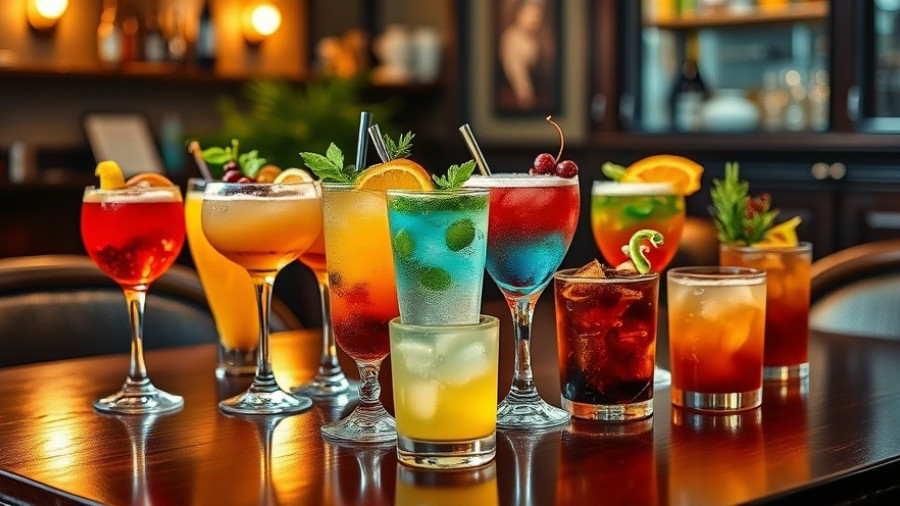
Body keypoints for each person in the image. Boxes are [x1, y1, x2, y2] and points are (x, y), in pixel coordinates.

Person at [499, 0, 552, 111]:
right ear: (518, 14)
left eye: (537, 15)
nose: (534, 19)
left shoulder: (537, 39)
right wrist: (525, 95)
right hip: (519, 98)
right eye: (529, 14)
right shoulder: (512, 38)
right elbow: (516, 71)